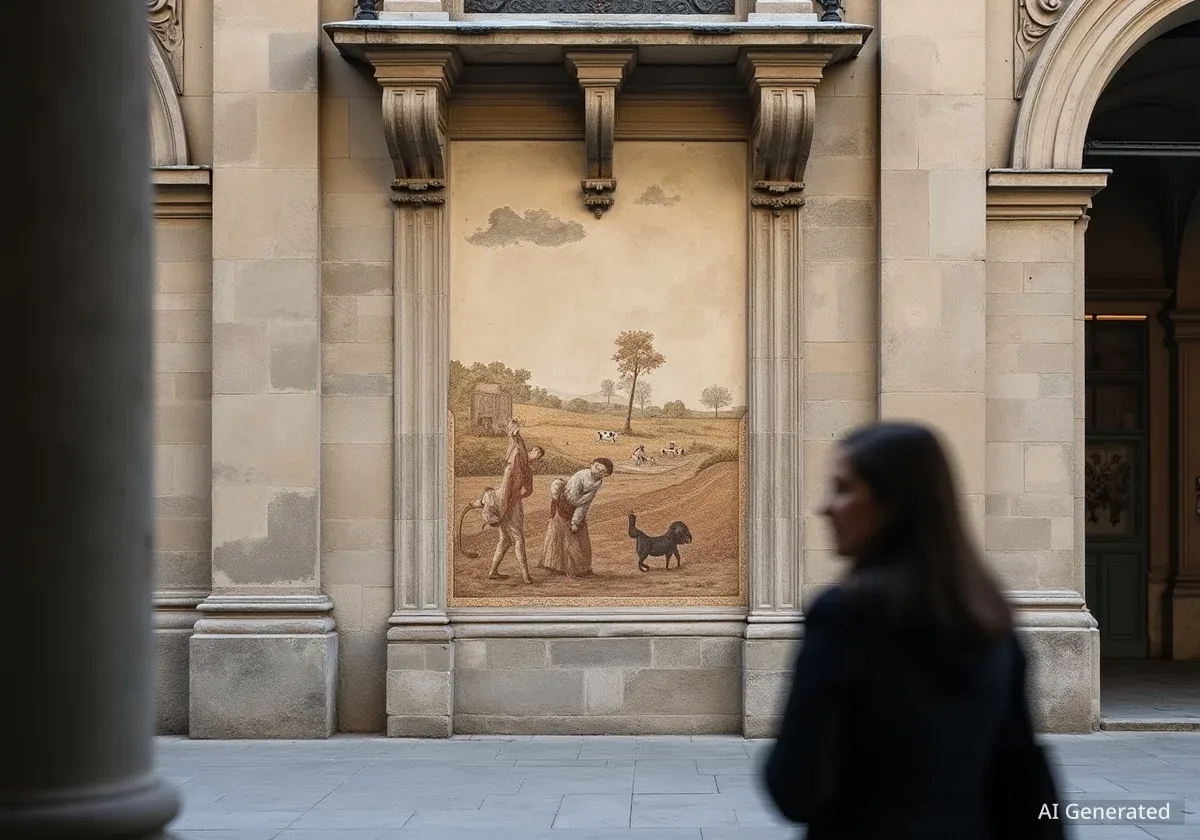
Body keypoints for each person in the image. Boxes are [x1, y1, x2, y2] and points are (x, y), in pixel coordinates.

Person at [764, 422, 1064, 840]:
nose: (825, 507)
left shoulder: (844, 616)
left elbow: (794, 788)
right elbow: (1026, 786)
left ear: (892, 503)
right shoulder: (990, 617)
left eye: (843, 488)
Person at [483, 418, 543, 584]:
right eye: (535, 451)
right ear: (530, 451)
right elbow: (516, 442)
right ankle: (526, 575)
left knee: (505, 540)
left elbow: (529, 491)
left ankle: (493, 571)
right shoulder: (518, 457)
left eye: (538, 455)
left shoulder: (526, 469)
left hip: (511, 501)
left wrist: (518, 496)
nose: (536, 455)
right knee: (518, 538)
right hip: (506, 502)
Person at [540, 457, 613, 577]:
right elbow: (572, 499)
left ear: (605, 475)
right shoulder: (580, 476)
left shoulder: (598, 482)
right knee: (565, 538)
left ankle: (582, 568)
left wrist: (576, 521)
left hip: (576, 509)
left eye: (602, 471)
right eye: (596, 467)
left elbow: (586, 501)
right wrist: (574, 520)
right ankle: (566, 569)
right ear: (591, 465)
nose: (597, 472)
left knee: (581, 539)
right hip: (564, 506)